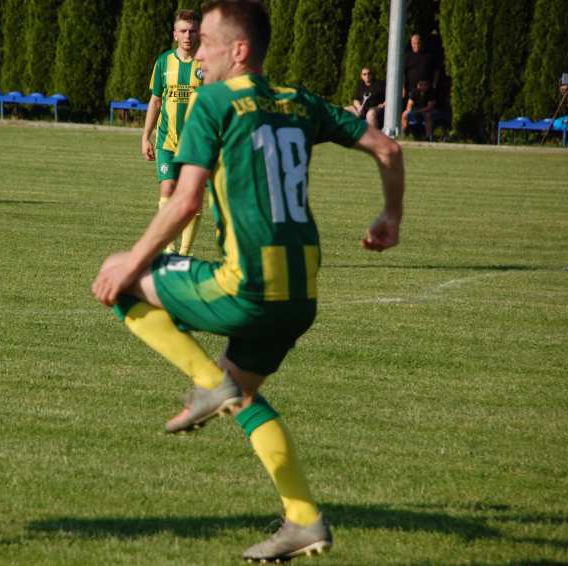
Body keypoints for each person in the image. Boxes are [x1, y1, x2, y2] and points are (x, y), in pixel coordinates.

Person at [92, 1, 404, 562]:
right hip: (301, 297)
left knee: (119, 277)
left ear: (239, 51)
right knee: (246, 398)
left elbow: (185, 201)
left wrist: (131, 262)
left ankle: (206, 382)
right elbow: (388, 147)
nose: (198, 56)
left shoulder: (213, 102)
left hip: (248, 288)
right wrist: (391, 218)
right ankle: (304, 520)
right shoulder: (300, 101)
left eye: (207, 43)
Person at [141, 10, 204, 256]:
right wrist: (145, 136)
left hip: (197, 143)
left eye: (192, 30)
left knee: (192, 197)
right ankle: (169, 249)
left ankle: (185, 253)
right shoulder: (163, 62)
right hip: (166, 140)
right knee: (167, 190)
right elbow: (155, 101)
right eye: (183, 31)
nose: (188, 35)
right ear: (175, 34)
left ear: (199, 33)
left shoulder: (206, 63)